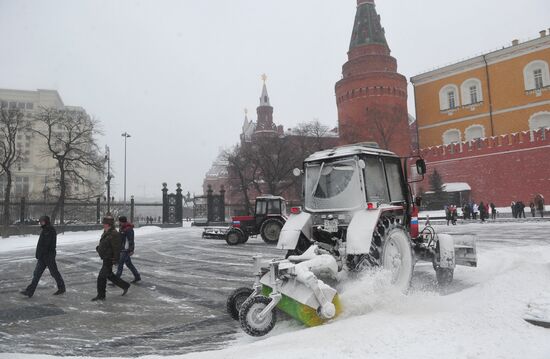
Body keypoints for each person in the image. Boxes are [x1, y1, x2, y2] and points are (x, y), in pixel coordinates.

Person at [20, 216, 65, 298]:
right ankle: (29, 291)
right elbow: (41, 245)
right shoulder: (45, 230)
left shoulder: (50, 230)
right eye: (40, 221)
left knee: (54, 273)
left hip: (48, 256)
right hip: (43, 257)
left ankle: (62, 288)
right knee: (36, 274)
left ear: (46, 221)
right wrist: (39, 254)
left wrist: (41, 254)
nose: (41, 223)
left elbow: (46, 245)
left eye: (42, 221)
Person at [92, 215, 130, 301]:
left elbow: (116, 248)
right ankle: (125, 285)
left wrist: (116, 259)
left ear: (108, 224)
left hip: (110, 258)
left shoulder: (114, 233)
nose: (103, 224)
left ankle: (101, 296)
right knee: (109, 275)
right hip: (105, 256)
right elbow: (105, 243)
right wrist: (99, 248)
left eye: (104, 223)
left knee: (101, 277)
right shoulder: (106, 231)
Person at [116, 216, 141, 283]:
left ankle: (116, 280)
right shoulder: (122, 228)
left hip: (125, 249)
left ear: (121, 221)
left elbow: (131, 240)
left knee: (120, 264)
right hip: (123, 248)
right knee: (129, 264)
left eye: (119, 221)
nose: (119, 223)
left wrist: (131, 250)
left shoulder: (128, 229)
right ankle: (137, 276)